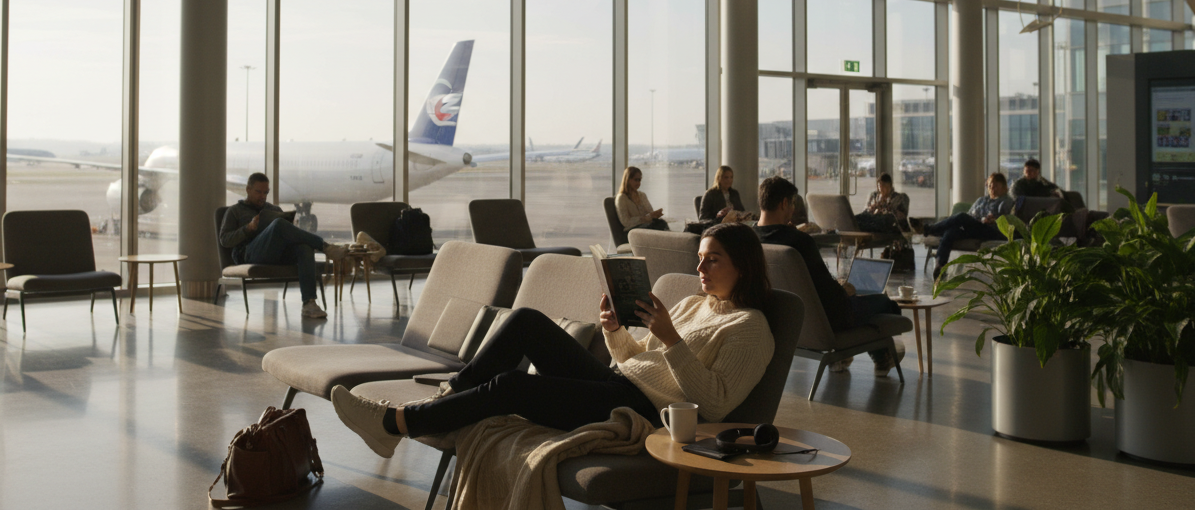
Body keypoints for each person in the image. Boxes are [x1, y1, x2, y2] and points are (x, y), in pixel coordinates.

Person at [329, 223, 776, 458]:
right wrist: (615, 332)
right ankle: (454, 397)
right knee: (525, 320)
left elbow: (715, 403)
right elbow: (643, 361)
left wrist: (672, 340)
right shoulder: (695, 305)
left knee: (511, 387)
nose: (700, 270)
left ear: (743, 266)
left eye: (712, 260)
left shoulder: (751, 328)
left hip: (641, 412)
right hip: (617, 382)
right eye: (699, 259)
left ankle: (395, 425)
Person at [753, 176, 904, 375]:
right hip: (828, 321)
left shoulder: (750, 238)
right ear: (783, 203)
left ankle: (853, 356)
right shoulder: (799, 241)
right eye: (792, 205)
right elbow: (828, 292)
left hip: (785, 321)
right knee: (885, 303)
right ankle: (881, 357)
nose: (792, 211)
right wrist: (845, 289)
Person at [217, 172, 344, 319]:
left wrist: (292, 229)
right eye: (258, 192)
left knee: (304, 247)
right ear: (248, 190)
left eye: (266, 192)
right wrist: (248, 228)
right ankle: (325, 247)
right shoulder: (235, 211)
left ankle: (309, 304)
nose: (262, 196)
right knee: (278, 224)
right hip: (250, 254)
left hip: (276, 253)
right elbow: (225, 240)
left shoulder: (274, 209)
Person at [919, 173, 1012, 275]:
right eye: (990, 186)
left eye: (995, 186)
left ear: (1004, 188)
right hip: (974, 226)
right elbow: (970, 215)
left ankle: (930, 229)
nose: (992, 189)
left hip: (991, 229)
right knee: (951, 232)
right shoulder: (981, 200)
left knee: (961, 217)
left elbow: (1008, 219)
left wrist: (994, 219)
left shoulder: (1006, 201)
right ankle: (940, 265)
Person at [615, 166, 670, 232]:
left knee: (661, 223)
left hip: (645, 226)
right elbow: (626, 222)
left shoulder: (642, 195)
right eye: (636, 180)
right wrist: (644, 218)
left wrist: (654, 215)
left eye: (639, 180)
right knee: (658, 226)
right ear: (627, 179)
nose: (638, 183)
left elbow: (650, 212)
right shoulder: (621, 198)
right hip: (632, 231)